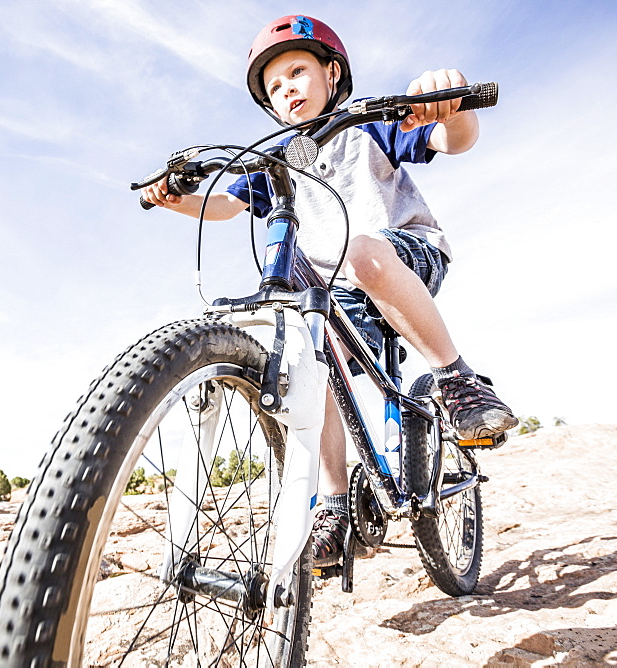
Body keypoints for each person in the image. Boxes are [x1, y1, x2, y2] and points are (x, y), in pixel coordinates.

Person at [141, 15, 517, 568]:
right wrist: (177, 198)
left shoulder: (364, 124)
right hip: (334, 294)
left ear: (332, 72)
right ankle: (334, 504)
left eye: (297, 71)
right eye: (274, 85)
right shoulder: (275, 165)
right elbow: (223, 206)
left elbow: (451, 139)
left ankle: (457, 380)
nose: (286, 87)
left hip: (400, 255)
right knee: (303, 357)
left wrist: (450, 109)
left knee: (363, 252)